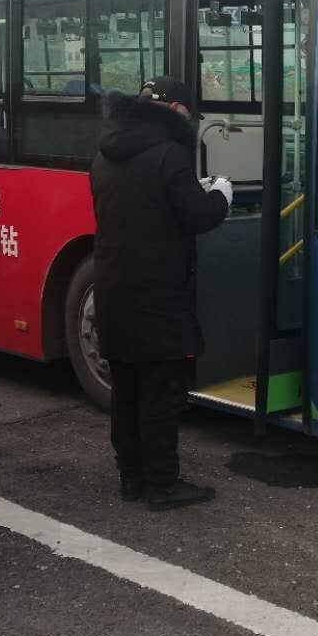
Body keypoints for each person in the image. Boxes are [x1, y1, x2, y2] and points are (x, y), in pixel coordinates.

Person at [90, 76, 232, 510]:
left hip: (114, 291)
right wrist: (221, 196)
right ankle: (163, 485)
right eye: (187, 111)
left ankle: (131, 478)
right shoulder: (170, 155)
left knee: (127, 393)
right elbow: (197, 215)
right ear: (173, 110)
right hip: (159, 298)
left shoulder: (105, 153)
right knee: (161, 395)